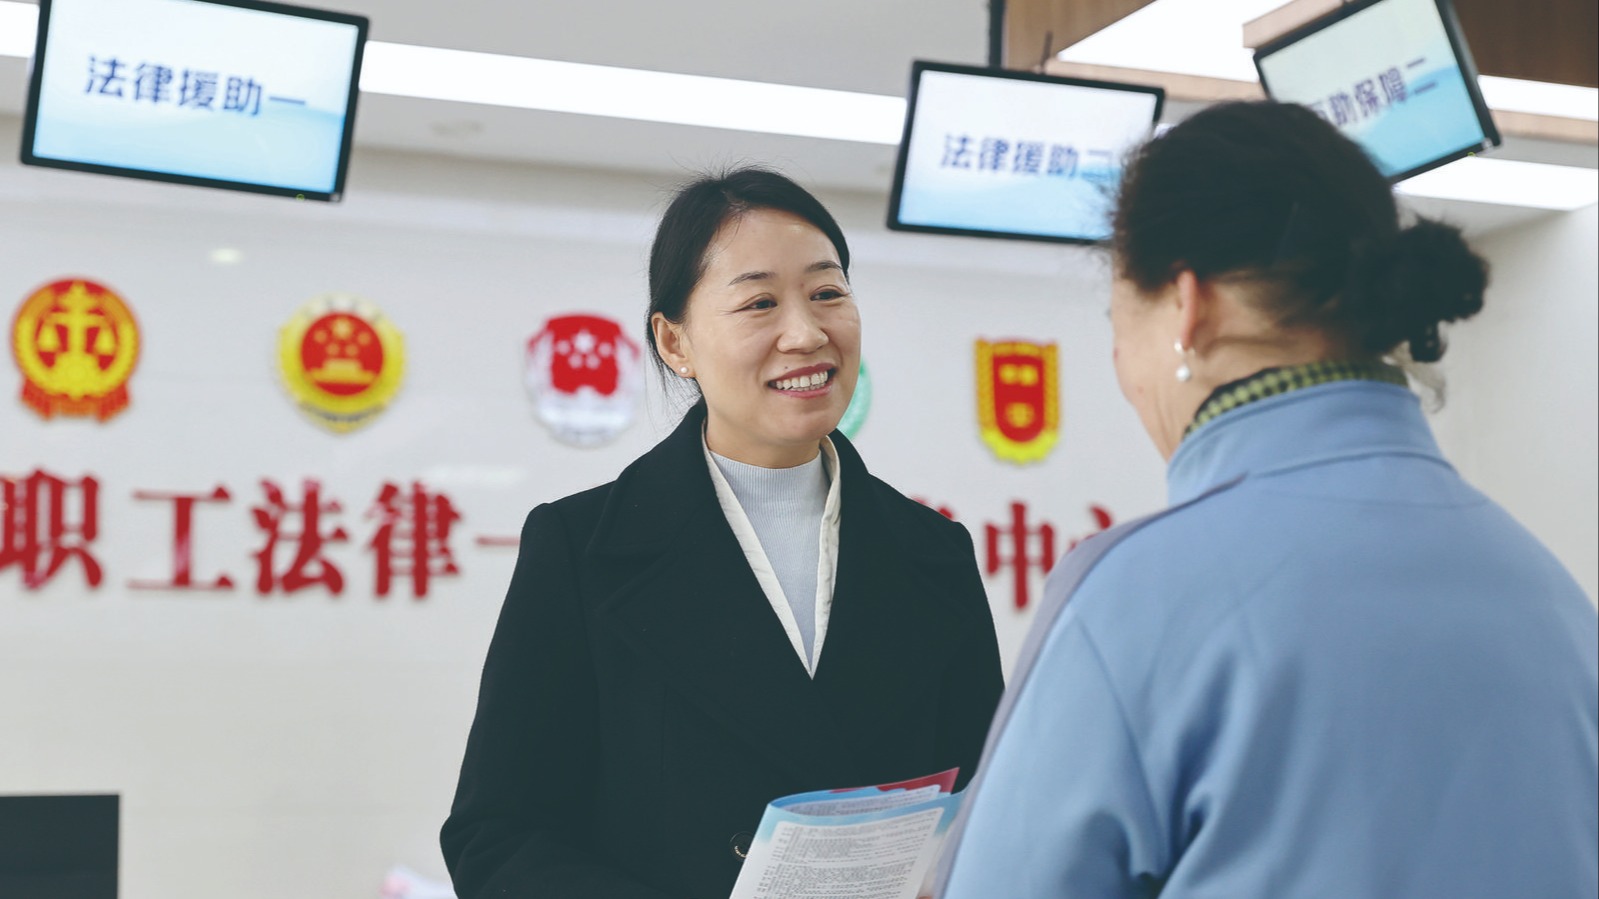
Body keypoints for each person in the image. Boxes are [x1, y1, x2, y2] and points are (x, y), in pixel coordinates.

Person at [937, 101, 1598, 898]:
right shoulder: (1550, 594)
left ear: (1188, 307)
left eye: (1119, 320)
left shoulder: (1127, 598)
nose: (1117, 361)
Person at [442, 167, 1004, 899]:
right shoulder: (580, 549)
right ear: (674, 341)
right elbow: (497, 838)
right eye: (759, 302)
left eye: (827, 293)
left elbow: (990, 806)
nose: (806, 333)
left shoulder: (932, 551)